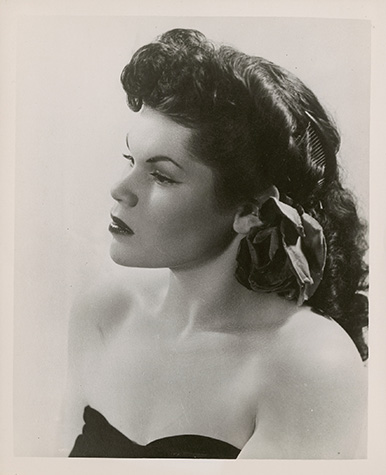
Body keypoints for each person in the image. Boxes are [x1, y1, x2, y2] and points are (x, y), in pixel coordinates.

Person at [61, 28, 368, 459]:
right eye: (131, 161)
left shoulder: (310, 364)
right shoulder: (106, 311)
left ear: (252, 211)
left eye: (162, 176)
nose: (120, 190)